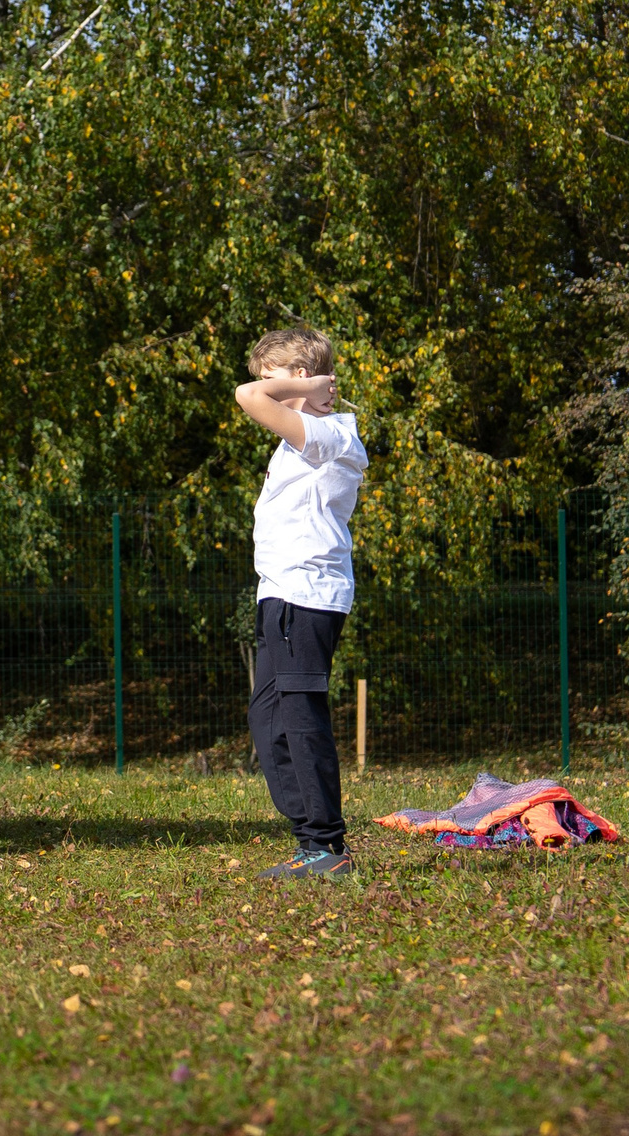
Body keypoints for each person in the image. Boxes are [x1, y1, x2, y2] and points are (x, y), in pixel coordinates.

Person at [235, 327, 367, 879]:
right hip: (281, 594)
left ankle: (325, 845)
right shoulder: (302, 438)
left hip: (305, 596)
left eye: (275, 377)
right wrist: (296, 387)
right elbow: (257, 393)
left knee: (300, 717)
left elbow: (247, 396)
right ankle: (310, 839)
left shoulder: (328, 434)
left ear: (302, 377)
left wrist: (308, 388)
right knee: (268, 719)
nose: (264, 386)